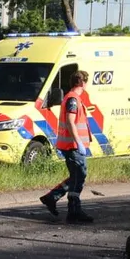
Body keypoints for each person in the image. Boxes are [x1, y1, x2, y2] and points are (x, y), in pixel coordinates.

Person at [39, 70, 94, 223]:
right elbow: (70, 121)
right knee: (79, 176)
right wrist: (79, 142)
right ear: (82, 83)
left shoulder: (73, 98)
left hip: (70, 144)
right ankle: (74, 211)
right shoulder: (73, 99)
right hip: (72, 145)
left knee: (76, 176)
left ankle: (52, 198)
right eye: (86, 82)